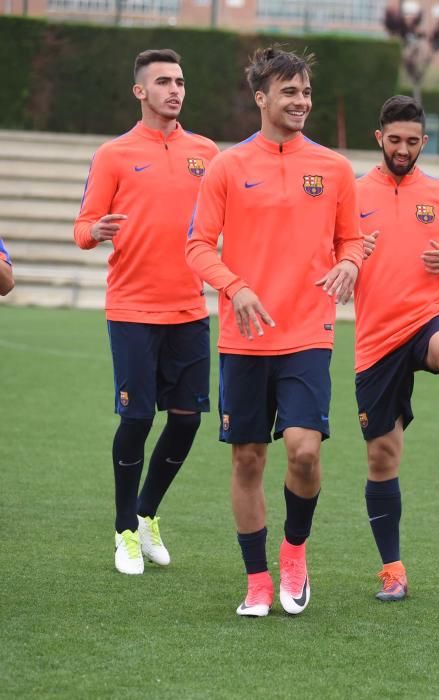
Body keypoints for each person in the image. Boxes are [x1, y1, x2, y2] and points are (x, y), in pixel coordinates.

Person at [186, 47, 363, 618]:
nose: (301, 102)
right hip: (244, 339)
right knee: (247, 461)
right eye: (290, 92)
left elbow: (352, 241)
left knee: (304, 452)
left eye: (306, 92)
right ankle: (257, 579)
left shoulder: (334, 168)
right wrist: (235, 287)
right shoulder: (227, 167)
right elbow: (196, 246)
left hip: (309, 332)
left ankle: (294, 552)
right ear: (261, 98)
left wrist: (351, 265)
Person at [73, 49, 219, 576]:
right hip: (133, 309)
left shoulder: (206, 151)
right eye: (162, 81)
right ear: (141, 91)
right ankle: (123, 531)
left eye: (179, 81)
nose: (174, 90)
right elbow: (82, 228)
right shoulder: (113, 155)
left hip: (189, 310)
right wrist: (98, 230)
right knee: (136, 417)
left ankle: (147, 513)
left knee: (185, 421)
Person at [354, 95, 439, 602]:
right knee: (383, 457)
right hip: (376, 338)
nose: (403, 150)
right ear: (379, 138)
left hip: (429, 318)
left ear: (423, 142)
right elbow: (324, 253)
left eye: (412, 142)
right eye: (394, 140)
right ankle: (393, 570)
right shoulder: (351, 193)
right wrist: (346, 255)